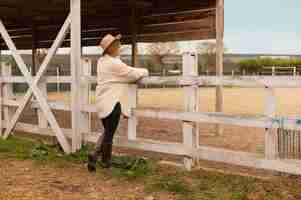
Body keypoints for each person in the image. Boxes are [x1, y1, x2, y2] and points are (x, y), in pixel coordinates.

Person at [87, 34, 149, 172]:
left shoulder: (102, 62)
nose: (120, 47)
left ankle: (98, 157)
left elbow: (120, 77)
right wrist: (145, 71)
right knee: (109, 134)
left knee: (107, 131)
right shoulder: (114, 63)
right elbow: (131, 73)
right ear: (113, 48)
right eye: (118, 45)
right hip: (112, 104)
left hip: (102, 102)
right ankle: (101, 158)